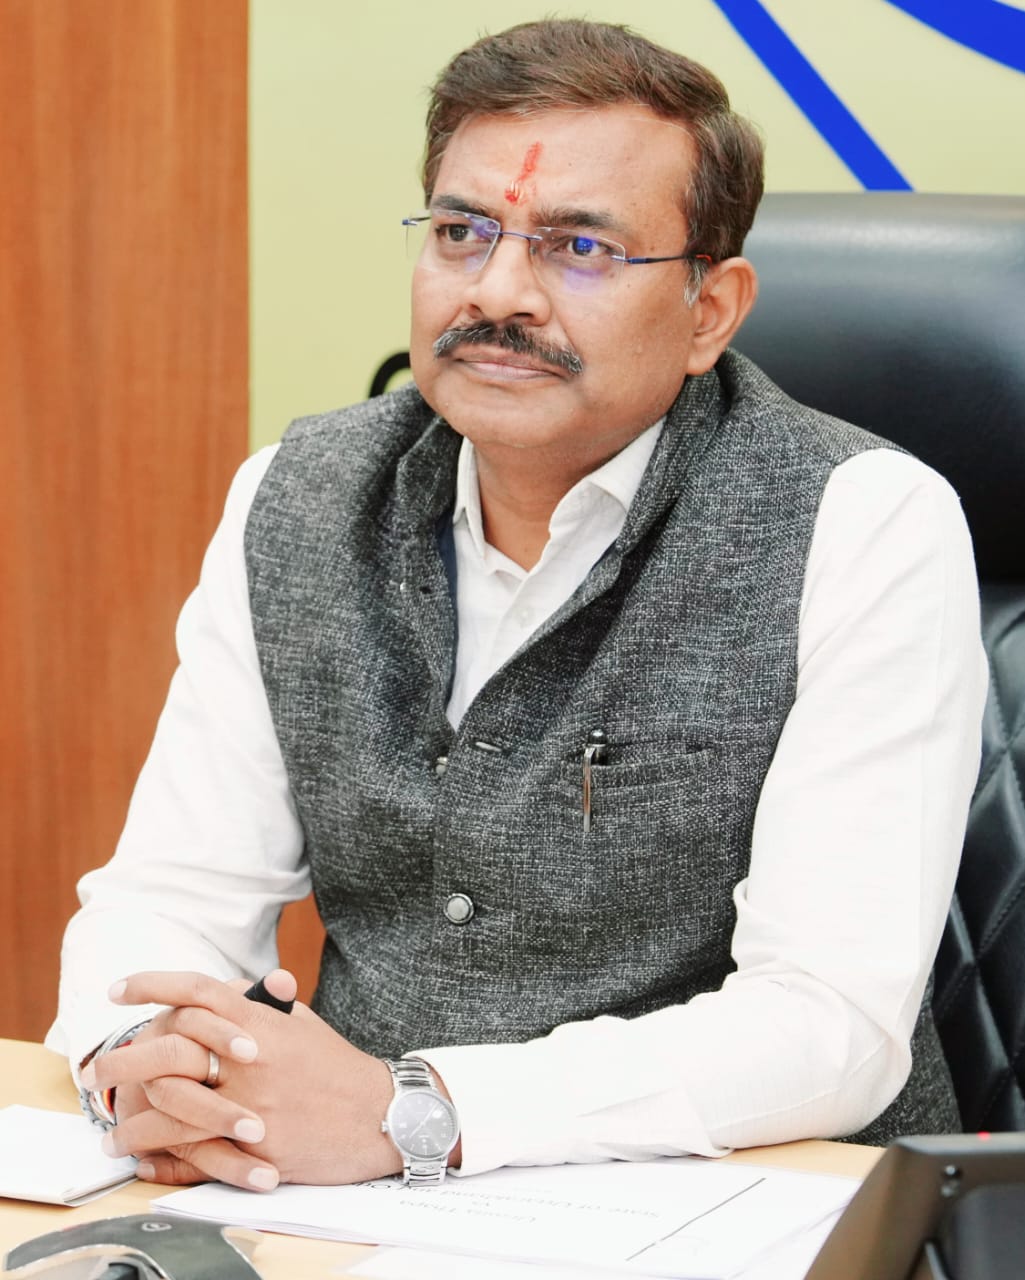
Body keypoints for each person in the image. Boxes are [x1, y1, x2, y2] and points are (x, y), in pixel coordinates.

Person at [49, 18, 986, 1193]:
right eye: (460, 232)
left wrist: (416, 1111)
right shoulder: (295, 497)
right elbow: (172, 892)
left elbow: (829, 1022)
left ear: (708, 309)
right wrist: (144, 1058)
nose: (496, 291)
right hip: (353, 1208)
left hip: (736, 1206)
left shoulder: (864, 521)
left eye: (577, 246)